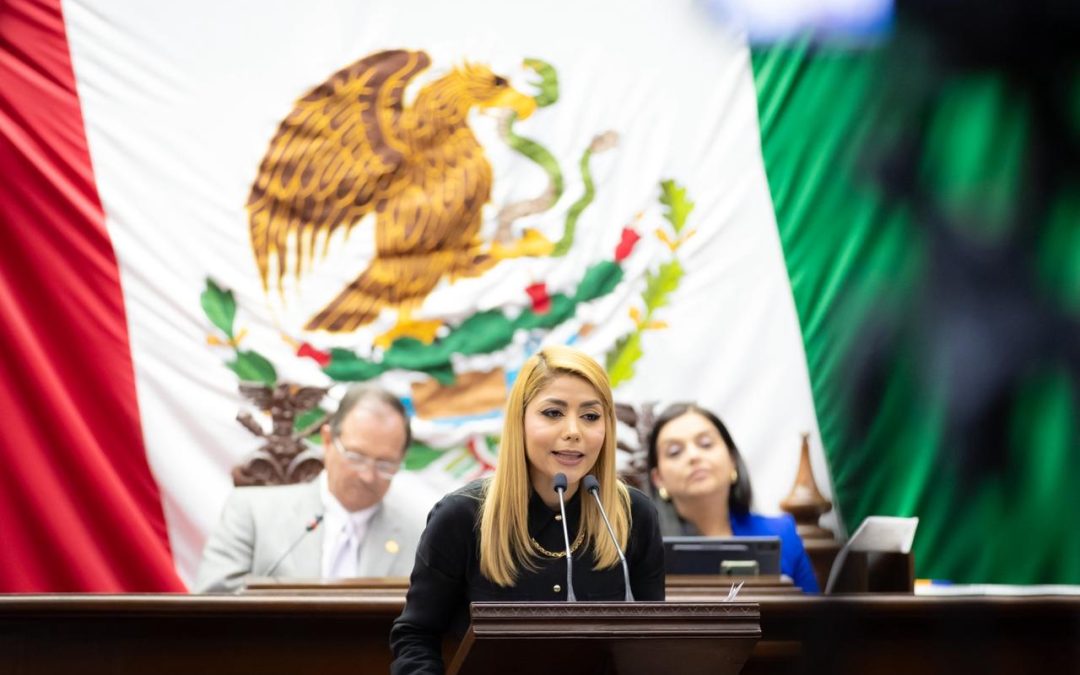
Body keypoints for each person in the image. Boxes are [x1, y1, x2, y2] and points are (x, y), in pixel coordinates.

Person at [390, 346, 665, 674]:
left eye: (591, 416)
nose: (573, 431)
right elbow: (416, 635)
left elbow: (653, 641)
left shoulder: (633, 515)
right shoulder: (462, 516)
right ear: (519, 421)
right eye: (553, 413)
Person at [194, 384, 426, 592]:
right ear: (327, 440)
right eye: (356, 457)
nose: (367, 475)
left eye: (385, 464)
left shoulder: (422, 538)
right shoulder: (251, 511)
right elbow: (213, 601)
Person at [647, 403, 819, 593]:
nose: (693, 456)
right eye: (674, 452)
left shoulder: (781, 534)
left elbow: (813, 611)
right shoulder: (643, 550)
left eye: (706, 444)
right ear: (658, 479)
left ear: (732, 460)